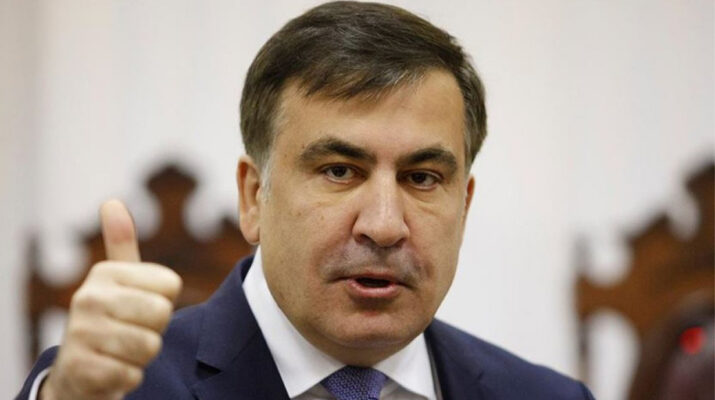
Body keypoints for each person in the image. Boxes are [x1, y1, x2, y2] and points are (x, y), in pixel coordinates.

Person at [18, 1, 595, 399]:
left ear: (463, 206)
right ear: (254, 197)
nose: (384, 226)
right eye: (340, 171)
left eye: (422, 178)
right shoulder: (117, 390)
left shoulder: (548, 397)